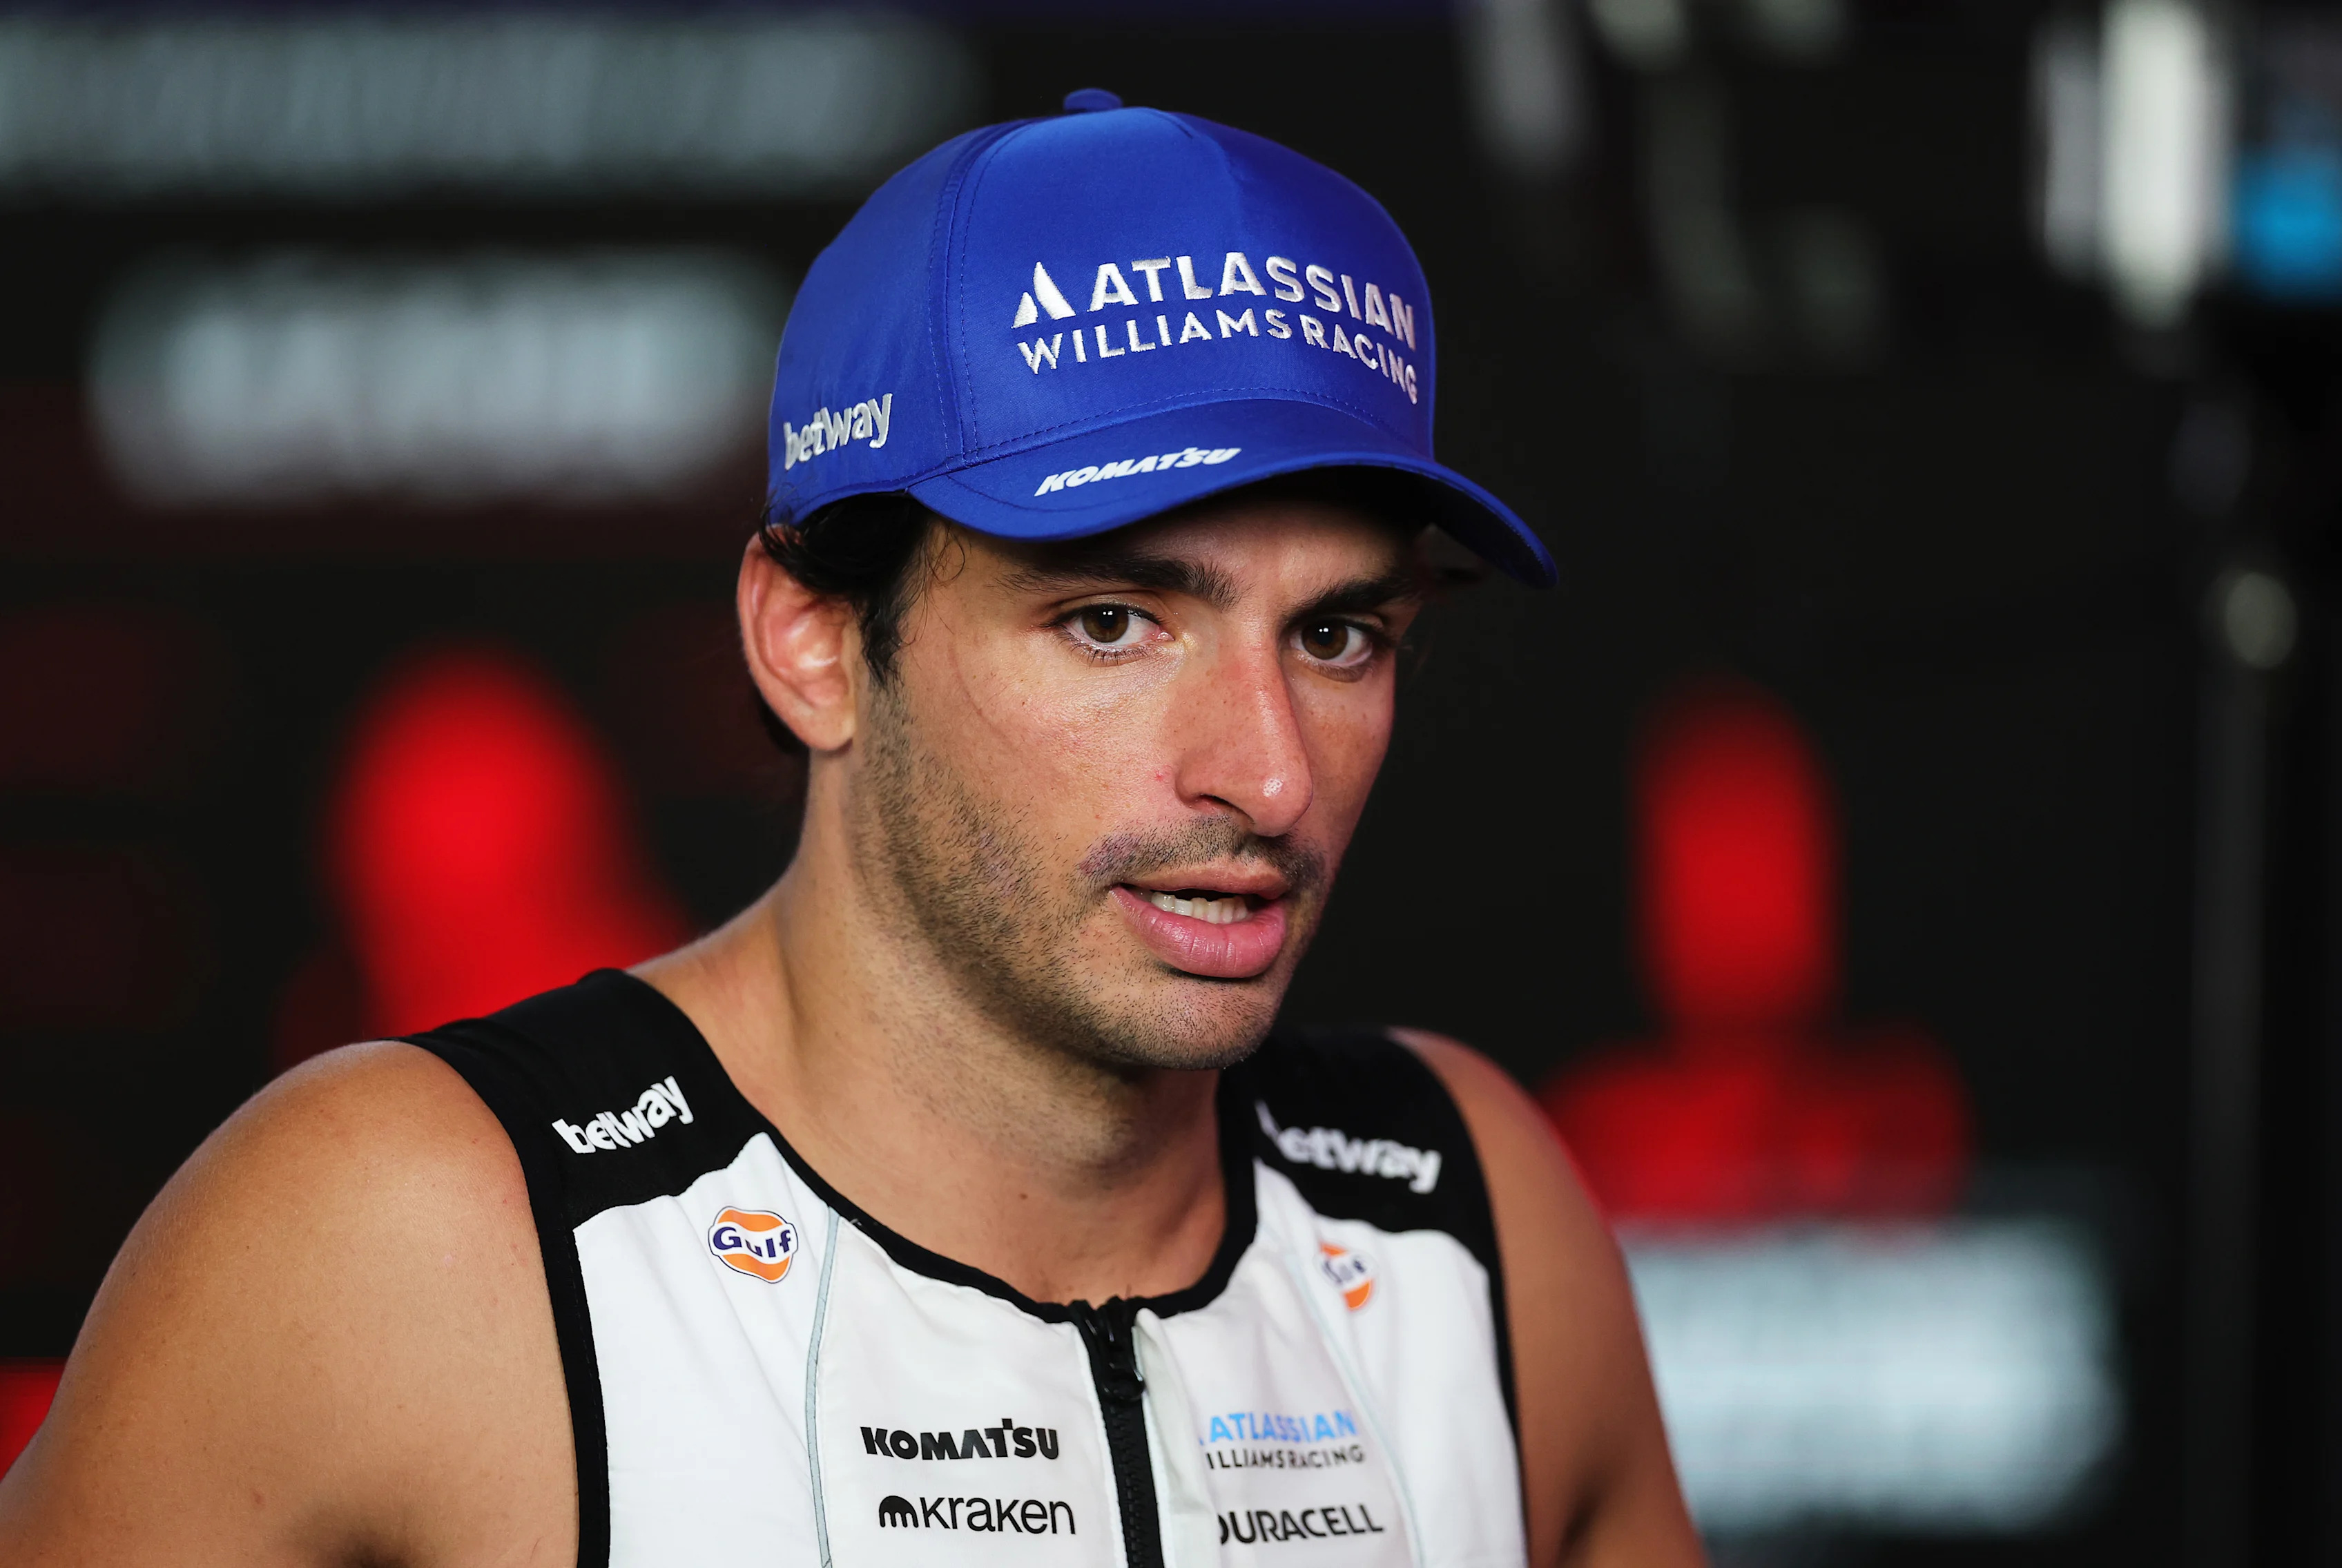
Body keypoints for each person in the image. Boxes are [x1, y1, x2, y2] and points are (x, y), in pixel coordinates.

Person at [0, 93, 1699, 1568]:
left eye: (1337, 635)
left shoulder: (1467, 1221)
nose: (1264, 776)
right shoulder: (402, 1234)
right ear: (811, 641)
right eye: (1111, 622)